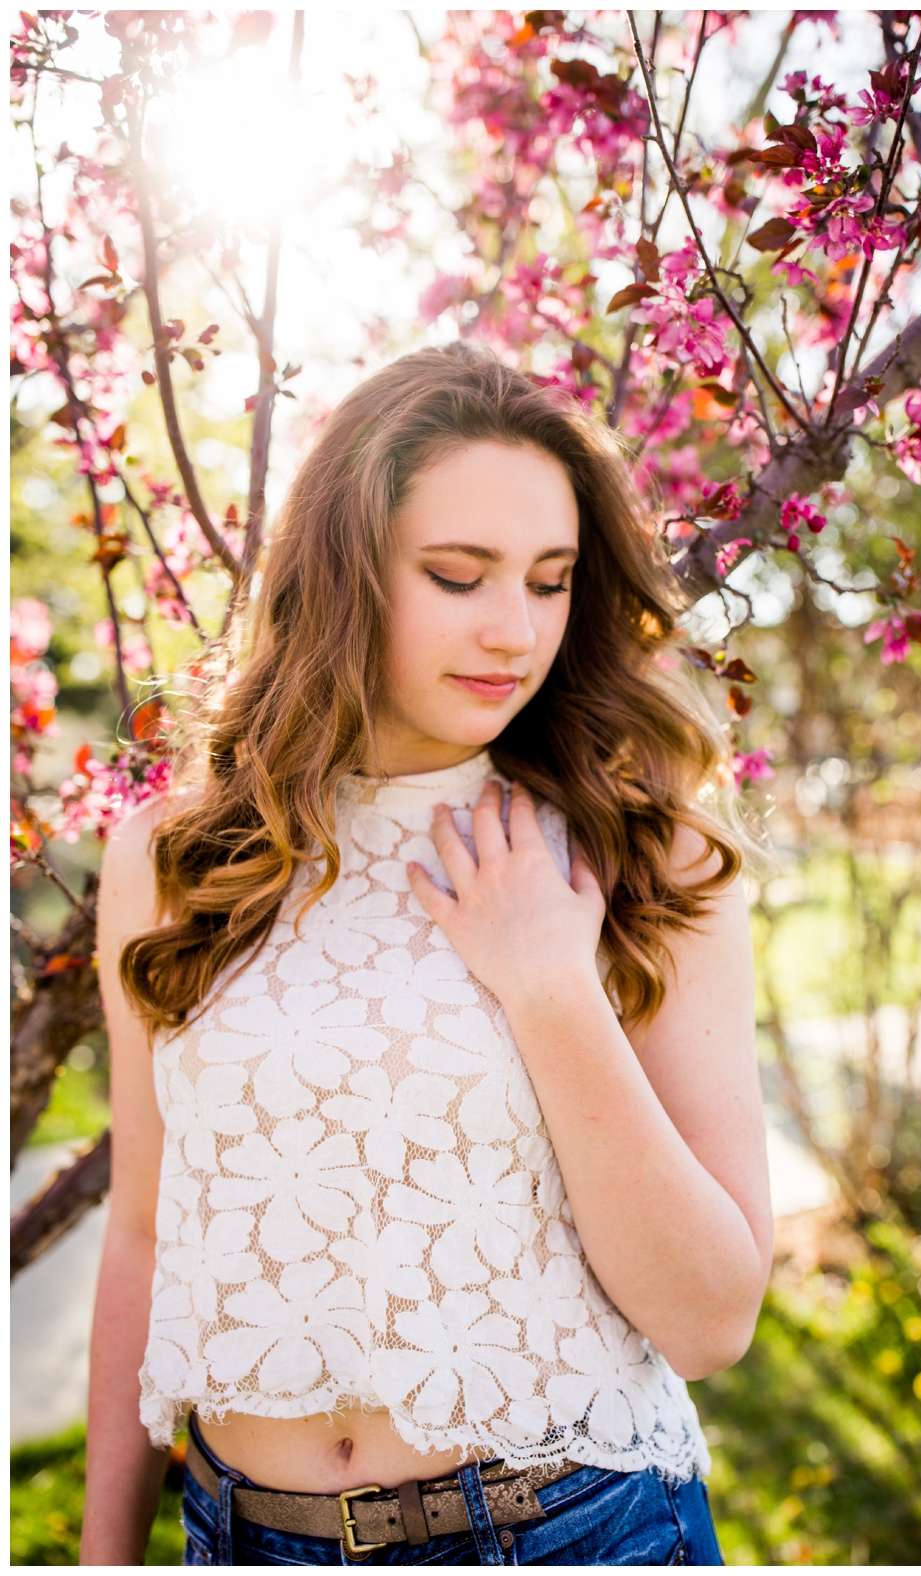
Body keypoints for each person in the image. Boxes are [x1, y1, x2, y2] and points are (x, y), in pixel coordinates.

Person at [81, 342, 771, 1565]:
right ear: (344, 573)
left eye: (551, 581)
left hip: (571, 1529)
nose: (514, 631)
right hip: (241, 1538)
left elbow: (714, 1319)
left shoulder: (643, 847)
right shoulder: (175, 859)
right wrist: (102, 1552)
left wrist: (548, 982)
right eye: (458, 575)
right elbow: (142, 1228)